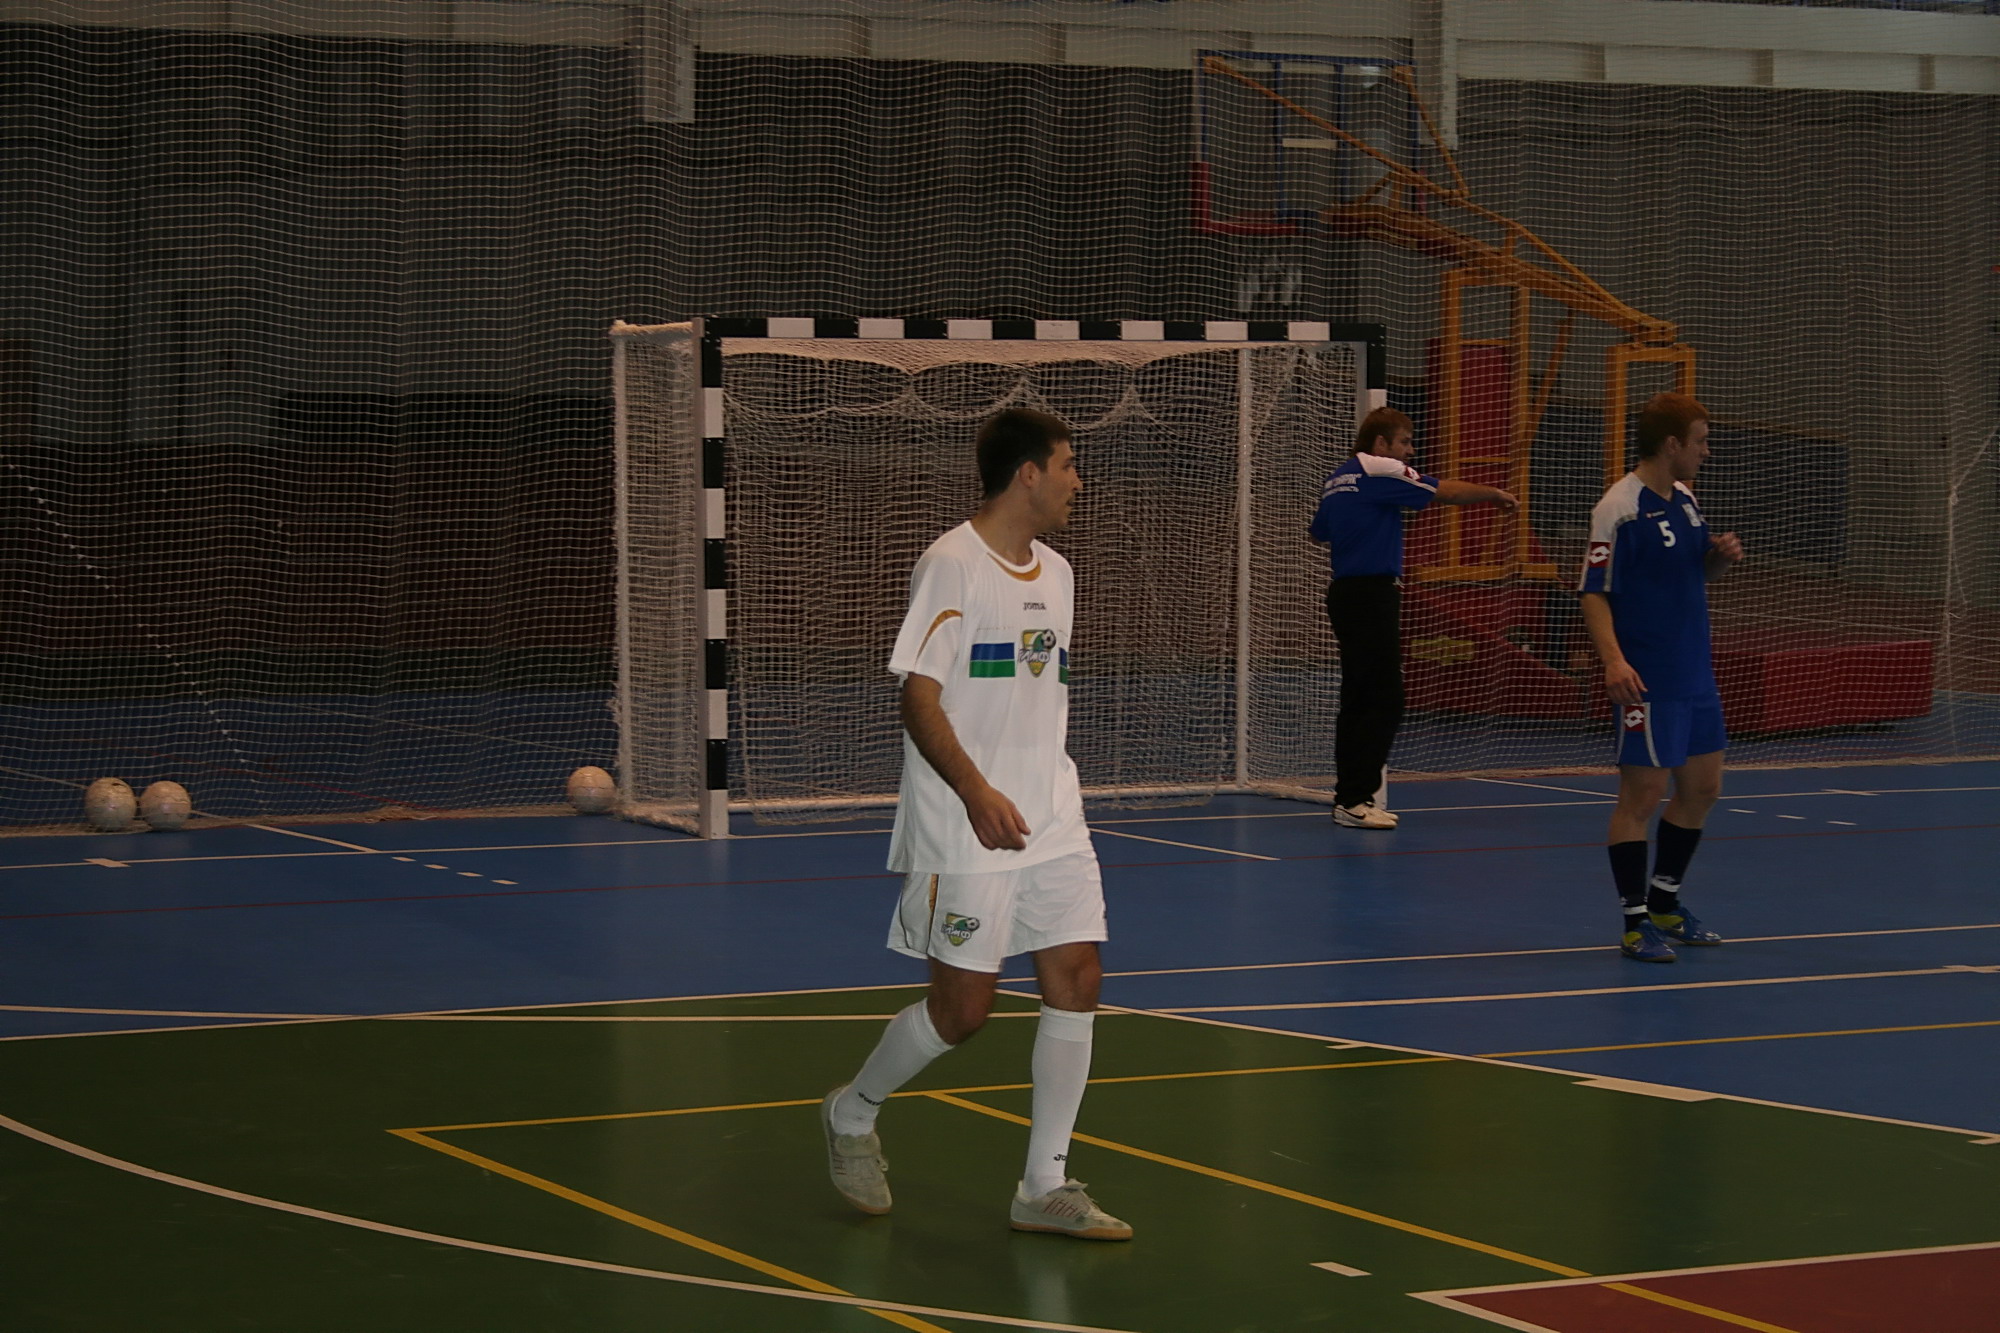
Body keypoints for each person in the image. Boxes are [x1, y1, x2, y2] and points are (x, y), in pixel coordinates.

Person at [821, 407, 1130, 1241]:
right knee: (962, 1011)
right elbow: (918, 696)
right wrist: (975, 790)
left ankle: (1043, 1184)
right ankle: (853, 1112)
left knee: (1078, 976)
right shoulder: (951, 564)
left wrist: (1034, 790)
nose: (1077, 480)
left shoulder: (1059, 573)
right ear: (1028, 473)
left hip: (1052, 815)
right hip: (965, 824)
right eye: (1067, 464)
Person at [1577, 391, 1744, 962]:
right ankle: (1633, 922)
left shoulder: (1686, 499)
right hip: (1647, 677)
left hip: (1694, 671)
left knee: (1703, 789)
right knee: (1642, 795)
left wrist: (1720, 556)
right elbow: (1593, 592)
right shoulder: (1618, 508)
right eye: (1700, 441)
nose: (1706, 451)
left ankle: (1666, 903)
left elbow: (1699, 572)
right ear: (1672, 444)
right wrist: (1613, 661)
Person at [1309, 406, 1518, 828]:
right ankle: (1355, 800)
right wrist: (1494, 494)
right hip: (1372, 594)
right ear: (1381, 443)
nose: (1410, 451)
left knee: (1358, 698)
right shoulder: (1380, 469)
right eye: (1404, 441)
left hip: (1345, 594)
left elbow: (1319, 533)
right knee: (1384, 699)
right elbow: (1445, 492)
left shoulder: (1338, 478)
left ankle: (1349, 796)